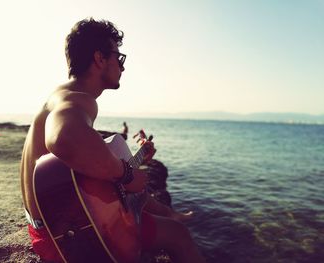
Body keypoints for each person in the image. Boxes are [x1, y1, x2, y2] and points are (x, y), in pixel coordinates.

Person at [20, 17, 205, 263]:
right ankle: (172, 217)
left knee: (130, 191)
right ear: (99, 59)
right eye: (119, 58)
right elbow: (63, 137)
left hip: (48, 229)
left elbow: (83, 164)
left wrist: (132, 162)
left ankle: (169, 213)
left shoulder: (60, 95)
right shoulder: (79, 99)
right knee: (179, 235)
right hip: (68, 239)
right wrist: (125, 174)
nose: (122, 67)